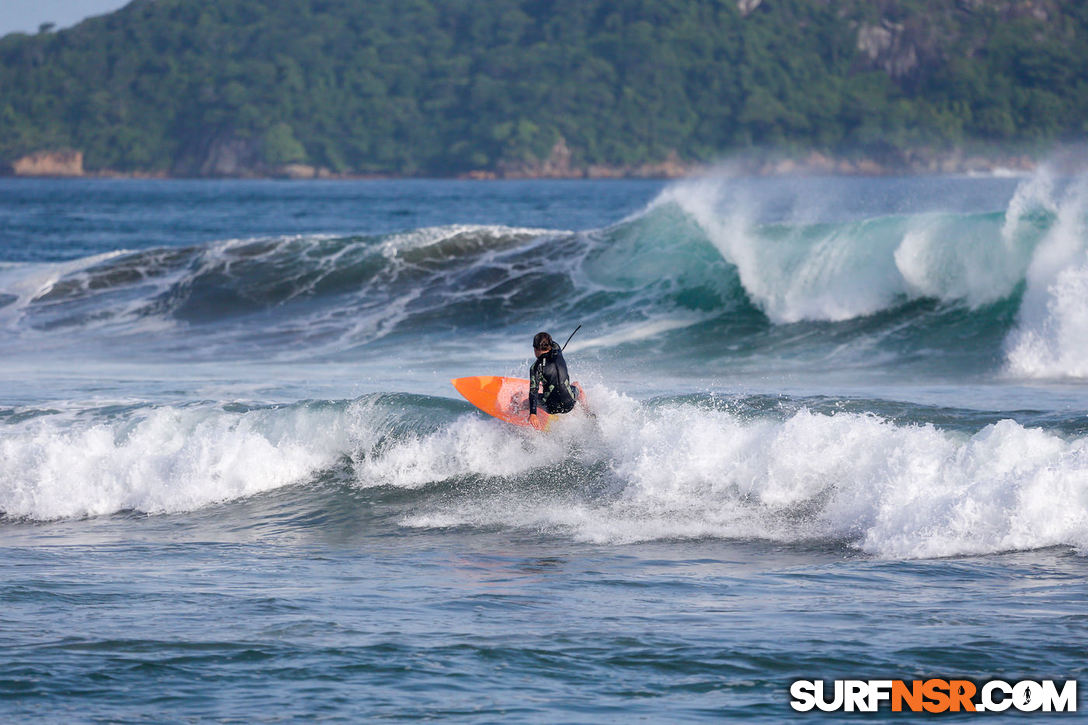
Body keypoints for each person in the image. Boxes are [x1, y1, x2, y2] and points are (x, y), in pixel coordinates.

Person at [528, 331, 578, 424]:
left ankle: (519, 413)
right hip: (569, 404)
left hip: (551, 408)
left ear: (535, 349)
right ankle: (588, 412)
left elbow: (533, 392)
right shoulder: (558, 349)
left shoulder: (535, 367)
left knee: (525, 402)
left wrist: (533, 414)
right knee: (576, 386)